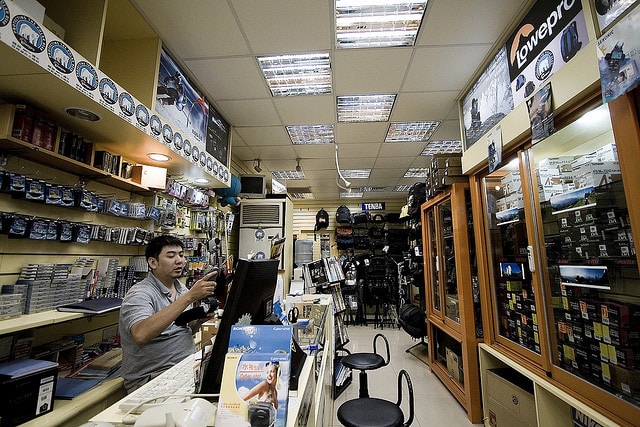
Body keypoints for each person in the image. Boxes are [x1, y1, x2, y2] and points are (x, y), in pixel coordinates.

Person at [119, 235, 218, 393]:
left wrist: (196, 322)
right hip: (152, 379)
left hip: (184, 370)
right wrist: (189, 298)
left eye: (181, 255)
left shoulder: (181, 289)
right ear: (153, 262)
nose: (179, 261)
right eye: (171, 256)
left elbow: (176, 330)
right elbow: (141, 334)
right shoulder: (140, 294)